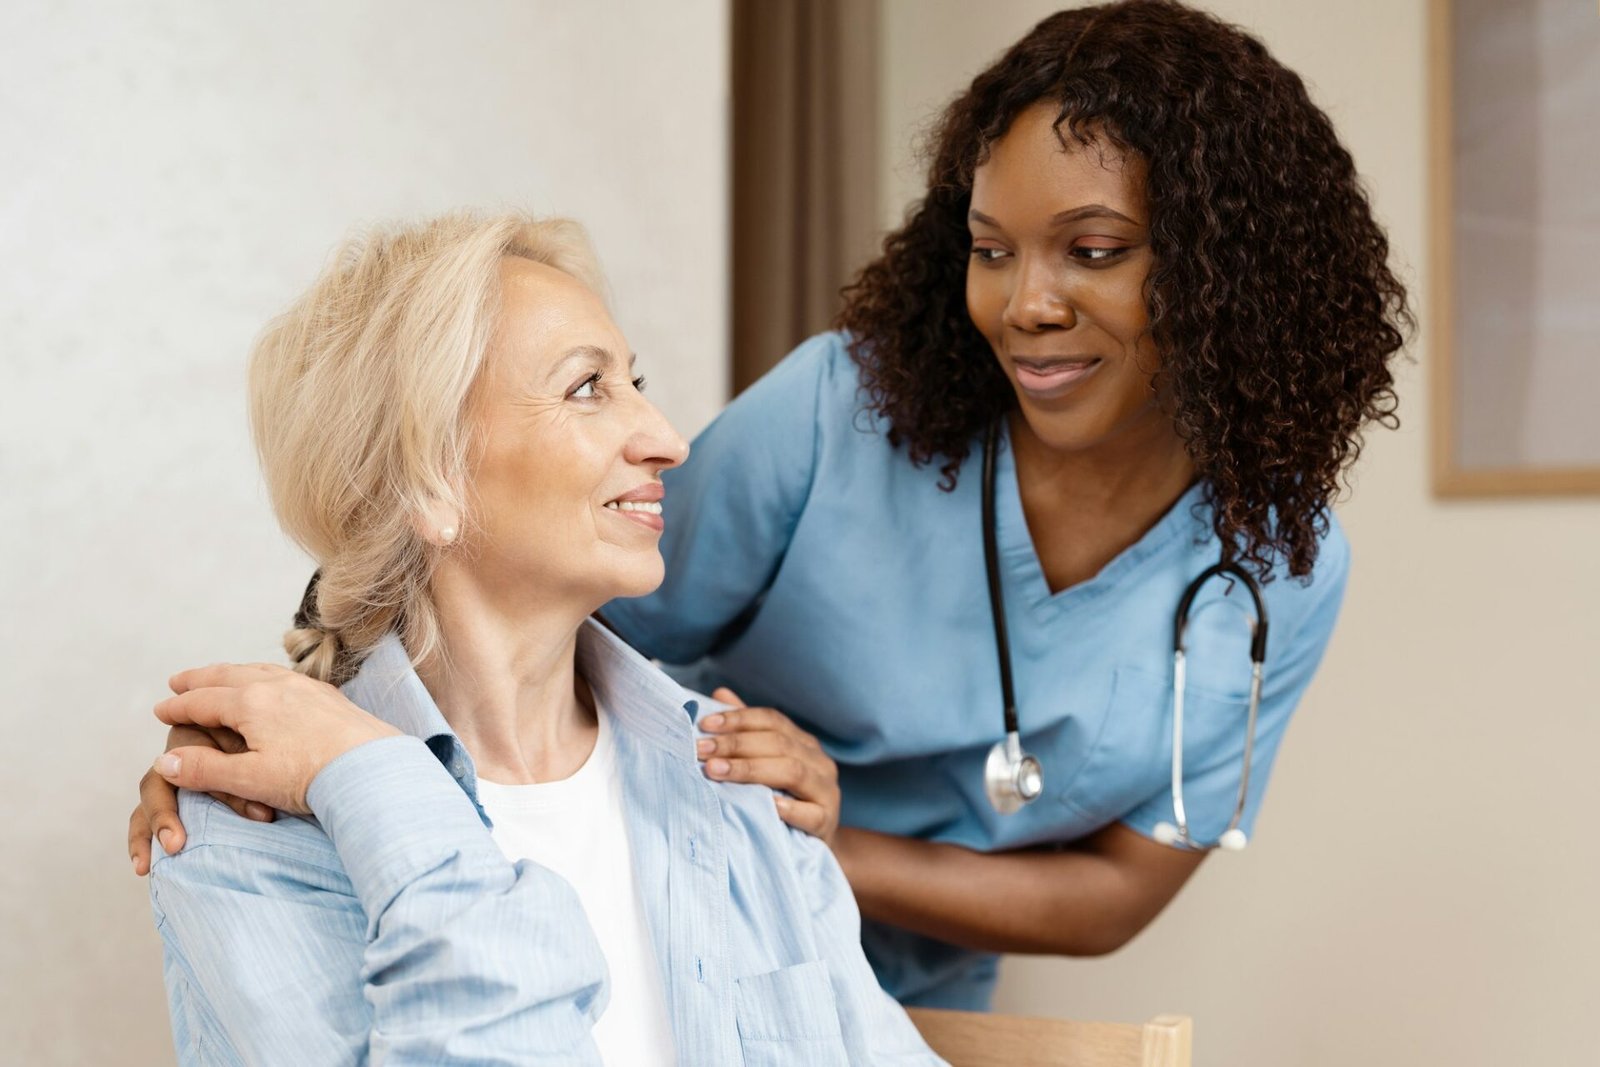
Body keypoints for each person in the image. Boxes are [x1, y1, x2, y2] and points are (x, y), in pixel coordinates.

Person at [132, 0, 1409, 1014]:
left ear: (1226, 266)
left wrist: (799, 839)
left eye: (1093, 249)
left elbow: (1114, 896)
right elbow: (509, 585)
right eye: (988, 243)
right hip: (629, 896)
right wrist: (312, 744)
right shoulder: (837, 414)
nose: (1024, 303)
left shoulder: (1276, 567)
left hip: (848, 961)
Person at [140, 211, 943, 1065]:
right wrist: (378, 788)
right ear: (430, 477)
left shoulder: (737, 784)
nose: (670, 440)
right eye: (588, 387)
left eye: (635, 380)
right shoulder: (245, 832)